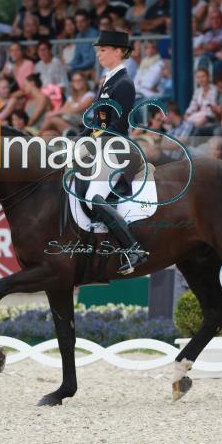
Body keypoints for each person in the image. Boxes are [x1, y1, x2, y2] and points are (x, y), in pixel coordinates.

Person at [73, 29, 147, 274]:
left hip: (114, 148)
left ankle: (133, 249)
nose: (99, 55)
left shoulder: (124, 84)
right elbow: (97, 121)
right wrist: (79, 140)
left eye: (103, 50)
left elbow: (116, 125)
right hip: (100, 145)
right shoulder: (107, 80)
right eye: (98, 51)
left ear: (118, 51)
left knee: (94, 197)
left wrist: (91, 144)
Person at [69, 10, 98, 74]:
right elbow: (77, 58)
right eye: (77, 22)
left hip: (94, 69)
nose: (79, 24)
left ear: (88, 21)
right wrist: (69, 66)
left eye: (82, 21)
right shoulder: (78, 36)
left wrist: (74, 67)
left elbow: (92, 60)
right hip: (81, 68)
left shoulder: (95, 35)